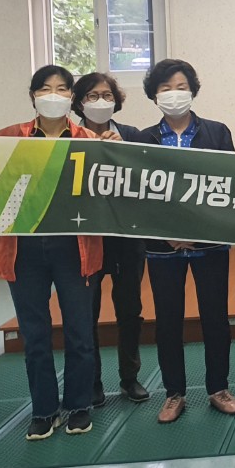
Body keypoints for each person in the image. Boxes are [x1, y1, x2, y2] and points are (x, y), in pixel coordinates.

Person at [0, 66, 102, 439]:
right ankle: (43, 409)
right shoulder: (9, 138)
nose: (52, 96)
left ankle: (79, 406)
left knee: (79, 332)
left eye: (61, 89)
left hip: (76, 247)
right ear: (33, 96)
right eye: (44, 89)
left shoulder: (91, 140)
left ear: (72, 97)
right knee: (35, 335)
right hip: (23, 249)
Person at [133, 59, 235, 423]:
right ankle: (174, 393)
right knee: (167, 322)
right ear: (154, 96)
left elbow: (229, 186)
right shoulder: (142, 139)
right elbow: (139, 194)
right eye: (166, 88)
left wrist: (201, 229)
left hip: (209, 244)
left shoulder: (217, 133)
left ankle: (218, 388)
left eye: (181, 87)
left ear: (192, 91)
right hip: (162, 247)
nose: (174, 94)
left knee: (215, 317)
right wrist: (167, 232)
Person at [71, 71, 151, 406]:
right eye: (92, 96)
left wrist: (124, 155)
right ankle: (92, 382)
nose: (100, 101)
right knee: (86, 313)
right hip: (85, 238)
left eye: (106, 95)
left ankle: (130, 377)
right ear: (79, 103)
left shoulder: (133, 136)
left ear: (116, 101)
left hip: (127, 238)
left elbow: (149, 183)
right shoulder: (68, 137)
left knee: (130, 310)